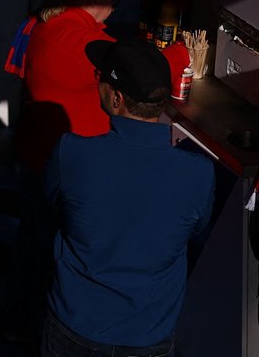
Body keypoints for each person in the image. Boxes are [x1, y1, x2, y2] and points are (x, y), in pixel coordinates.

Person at [43, 37, 214, 357]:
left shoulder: (72, 153)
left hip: (77, 321)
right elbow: (197, 233)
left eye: (101, 79)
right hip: (149, 333)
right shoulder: (199, 173)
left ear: (116, 97)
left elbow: (51, 204)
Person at [7, 0, 120, 341]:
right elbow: (142, 70)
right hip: (69, 165)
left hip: (36, 151)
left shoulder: (42, 22)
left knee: (32, 244)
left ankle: (22, 323)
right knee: (57, 253)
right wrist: (181, 54)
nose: (117, 7)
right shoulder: (84, 40)